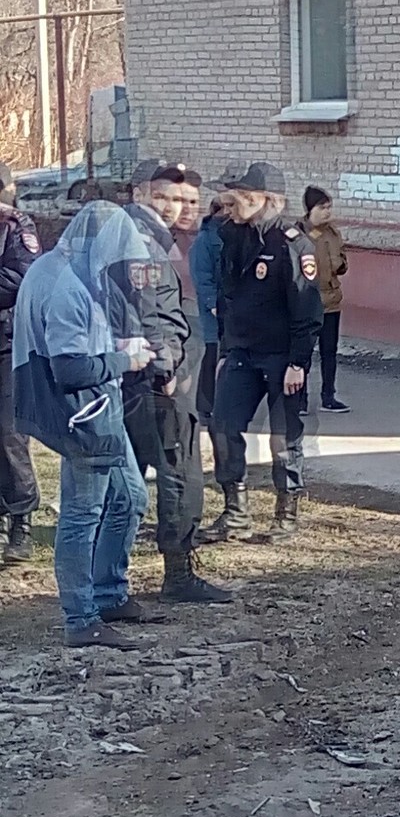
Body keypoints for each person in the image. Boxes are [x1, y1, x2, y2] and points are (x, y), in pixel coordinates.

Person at [11, 202, 158, 648]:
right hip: (82, 414)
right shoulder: (67, 286)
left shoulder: (66, 268)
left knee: (130, 498)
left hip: (97, 407)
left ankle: (109, 593)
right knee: (82, 513)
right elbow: (71, 369)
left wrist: (115, 343)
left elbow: (75, 341)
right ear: (102, 245)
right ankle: (82, 618)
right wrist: (125, 359)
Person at [123, 168, 234, 607]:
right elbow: (150, 313)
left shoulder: (140, 237)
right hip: (154, 380)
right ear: (140, 194)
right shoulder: (143, 245)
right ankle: (178, 572)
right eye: (165, 198)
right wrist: (167, 371)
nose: (174, 208)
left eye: (184, 200)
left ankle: (109, 572)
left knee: (130, 474)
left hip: (136, 376)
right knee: (180, 470)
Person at [204, 163, 323, 540]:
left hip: (280, 358)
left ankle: (286, 513)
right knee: (222, 426)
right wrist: (225, 348)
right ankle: (234, 512)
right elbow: (228, 298)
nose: (229, 204)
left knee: (283, 436)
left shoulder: (292, 245)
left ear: (261, 199)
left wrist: (297, 363)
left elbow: (307, 310)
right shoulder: (231, 235)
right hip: (241, 352)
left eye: (236, 197)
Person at [0, 160, 41, 566]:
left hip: (6, 346)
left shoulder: (16, 228)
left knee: (9, 437)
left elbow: (18, 279)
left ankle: (21, 521)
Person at [300, 185, 349, 410]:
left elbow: (341, 259)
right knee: (304, 353)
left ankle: (328, 397)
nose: (327, 212)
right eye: (322, 207)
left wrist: (341, 265)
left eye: (329, 207)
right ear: (310, 209)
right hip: (307, 301)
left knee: (329, 352)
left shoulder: (333, 233)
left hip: (331, 301)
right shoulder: (299, 234)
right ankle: (299, 398)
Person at [189, 189, 226, 434]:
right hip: (214, 310)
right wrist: (213, 303)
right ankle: (205, 406)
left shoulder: (231, 235)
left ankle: (222, 404)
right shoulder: (205, 240)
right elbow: (202, 277)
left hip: (231, 307)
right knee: (212, 354)